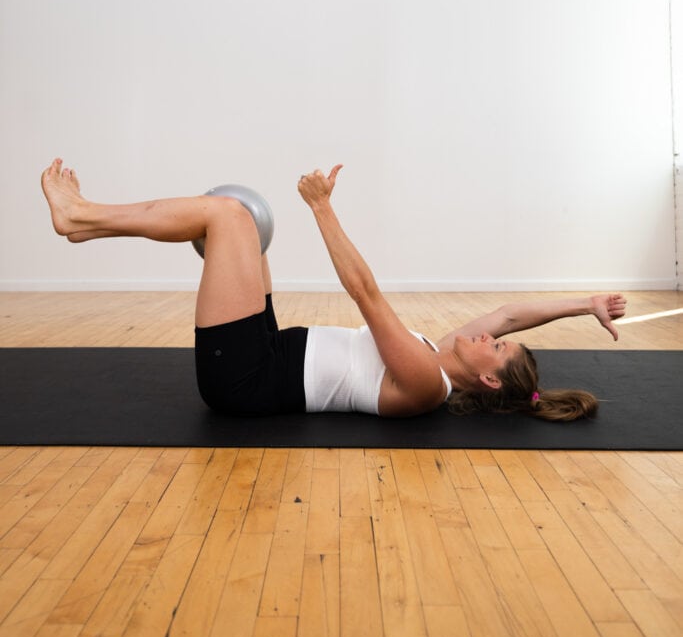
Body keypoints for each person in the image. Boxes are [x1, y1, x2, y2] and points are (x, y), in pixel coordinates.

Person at [41, 158, 626, 421]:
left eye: (496, 348)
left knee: (228, 216)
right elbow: (510, 312)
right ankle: (86, 220)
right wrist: (585, 303)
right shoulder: (442, 354)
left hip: (244, 380)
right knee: (242, 216)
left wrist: (321, 208)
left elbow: (366, 295)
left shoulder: (427, 383)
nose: (489, 335)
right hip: (266, 355)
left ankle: (82, 218)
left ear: (491, 377)